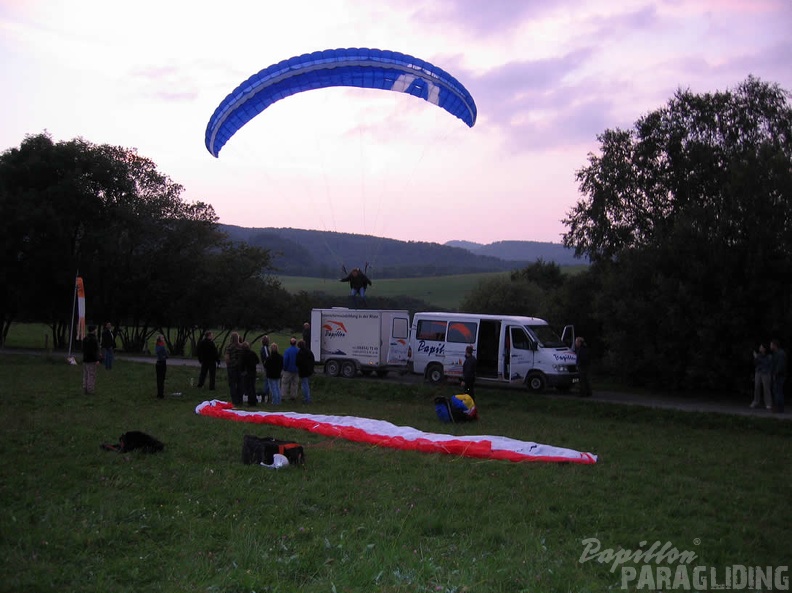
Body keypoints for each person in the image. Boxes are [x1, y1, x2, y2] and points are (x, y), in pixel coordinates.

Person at [751, 343, 773, 410]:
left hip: (765, 373)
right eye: (760, 347)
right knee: (756, 387)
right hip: (758, 372)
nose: (760, 348)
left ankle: (768, 403)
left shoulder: (769, 356)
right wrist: (755, 358)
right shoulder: (758, 355)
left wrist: (757, 358)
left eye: (761, 347)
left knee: (766, 388)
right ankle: (755, 402)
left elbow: (766, 363)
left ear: (764, 349)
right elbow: (756, 364)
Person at [225, 332, 243, 406]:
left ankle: (234, 400)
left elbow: (227, 358)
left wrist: (229, 364)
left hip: (232, 367)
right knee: (240, 384)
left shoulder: (229, 347)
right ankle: (240, 400)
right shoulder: (241, 347)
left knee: (232, 384)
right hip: (240, 368)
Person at [239, 341, 260, 406]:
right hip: (253, 372)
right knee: (252, 387)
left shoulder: (243, 354)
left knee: (248, 387)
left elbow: (241, 364)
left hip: (247, 372)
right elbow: (258, 360)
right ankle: (253, 400)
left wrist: (242, 370)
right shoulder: (252, 353)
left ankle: (250, 401)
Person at [82, 325, 100, 394]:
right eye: (95, 329)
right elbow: (94, 350)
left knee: (85, 374)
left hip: (85, 359)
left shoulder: (85, 338)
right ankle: (90, 389)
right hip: (92, 359)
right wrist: (97, 359)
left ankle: (85, 388)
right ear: (93, 330)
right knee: (91, 375)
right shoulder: (94, 339)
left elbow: (83, 349)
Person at [770, 339, 786, 414]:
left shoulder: (780, 354)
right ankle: (778, 407)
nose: (770, 346)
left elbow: (780, 366)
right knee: (777, 391)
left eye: (771, 345)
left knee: (778, 391)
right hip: (777, 375)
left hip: (779, 376)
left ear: (774, 345)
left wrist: (775, 373)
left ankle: (779, 408)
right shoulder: (776, 353)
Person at [296, 339, 315, 404]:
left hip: (302, 371)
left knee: (304, 385)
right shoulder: (309, 352)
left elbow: (297, 362)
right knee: (306, 384)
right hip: (308, 371)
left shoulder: (300, 353)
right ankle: (308, 398)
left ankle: (307, 399)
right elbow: (312, 360)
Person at [281, 337, 300, 401]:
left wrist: (284, 368)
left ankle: (283, 396)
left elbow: (285, 360)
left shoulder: (287, 351)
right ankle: (293, 396)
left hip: (288, 370)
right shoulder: (298, 350)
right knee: (294, 383)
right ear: (295, 343)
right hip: (296, 370)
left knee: (285, 383)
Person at [155, 334, 168, 399]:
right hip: (162, 363)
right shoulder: (162, 346)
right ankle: (161, 394)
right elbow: (165, 355)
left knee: (158, 379)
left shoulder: (157, 346)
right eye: (162, 338)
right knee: (162, 379)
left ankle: (159, 393)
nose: (163, 338)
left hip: (158, 363)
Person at [259, 335, 271, 401]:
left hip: (265, 365)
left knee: (267, 380)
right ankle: (266, 394)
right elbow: (267, 358)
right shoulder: (265, 348)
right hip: (267, 366)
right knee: (267, 380)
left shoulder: (263, 348)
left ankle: (266, 394)